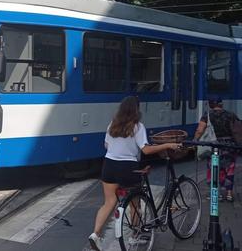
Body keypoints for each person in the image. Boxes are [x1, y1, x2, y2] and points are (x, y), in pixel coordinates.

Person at [88, 96, 180, 251]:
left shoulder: (113, 125)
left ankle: (95, 235)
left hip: (109, 165)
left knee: (109, 202)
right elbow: (146, 149)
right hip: (128, 167)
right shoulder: (138, 126)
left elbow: (106, 145)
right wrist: (167, 145)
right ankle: (134, 236)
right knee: (134, 203)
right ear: (136, 109)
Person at [193, 95, 239, 202]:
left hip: (214, 146)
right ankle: (229, 193)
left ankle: (215, 193)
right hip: (229, 146)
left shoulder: (207, 115)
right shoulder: (231, 115)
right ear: (221, 104)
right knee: (229, 169)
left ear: (210, 104)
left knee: (213, 168)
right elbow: (237, 130)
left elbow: (200, 130)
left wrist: (195, 140)